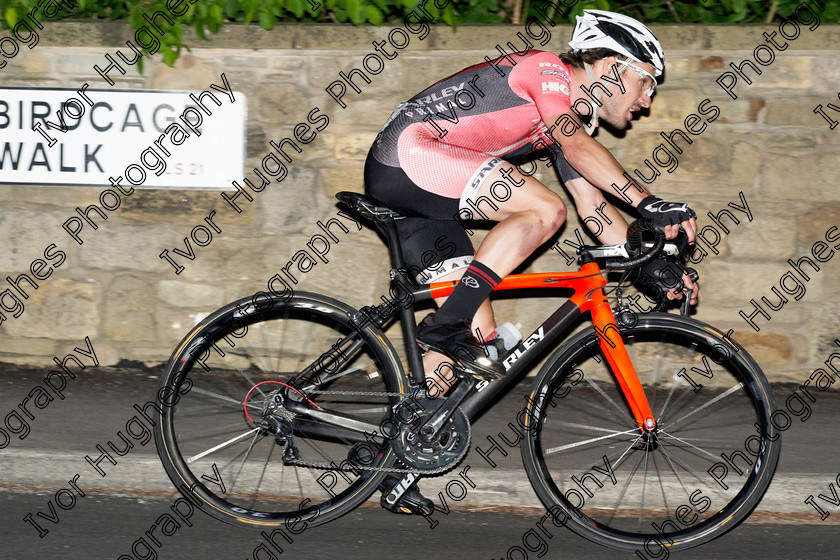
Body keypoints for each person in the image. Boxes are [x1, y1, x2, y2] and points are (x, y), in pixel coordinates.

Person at [363, 9, 698, 515]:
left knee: (476, 345)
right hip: (409, 158)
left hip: (427, 199)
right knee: (543, 209)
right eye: (645, 82)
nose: (647, 100)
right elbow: (574, 145)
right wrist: (649, 202)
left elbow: (594, 209)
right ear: (609, 67)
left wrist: (656, 266)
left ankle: (393, 458)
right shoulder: (547, 72)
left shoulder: (573, 118)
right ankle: (447, 323)